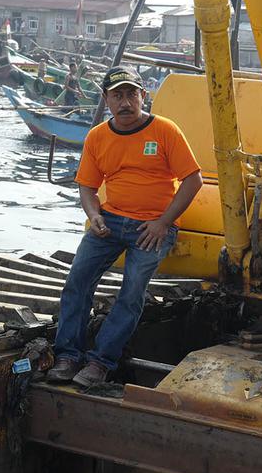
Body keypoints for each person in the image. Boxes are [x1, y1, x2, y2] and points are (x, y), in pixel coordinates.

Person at [47, 65, 204, 388]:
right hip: (110, 221)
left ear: (143, 95)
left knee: (131, 292)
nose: (125, 102)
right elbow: (87, 187)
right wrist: (94, 216)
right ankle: (67, 355)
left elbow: (193, 179)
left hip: (152, 227)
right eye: (117, 95)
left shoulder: (165, 130)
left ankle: (100, 362)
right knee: (77, 281)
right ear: (106, 99)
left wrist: (163, 223)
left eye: (131, 93)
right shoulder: (97, 137)